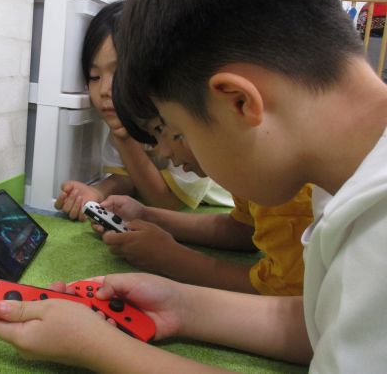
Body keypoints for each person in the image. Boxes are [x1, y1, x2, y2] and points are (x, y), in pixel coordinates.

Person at [0, 0, 387, 372]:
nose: (175, 152)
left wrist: (101, 348)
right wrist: (182, 305)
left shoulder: (377, 226)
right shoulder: (345, 178)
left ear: (238, 102)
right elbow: (322, 322)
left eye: (179, 131)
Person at [92, 94, 312, 295]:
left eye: (163, 128)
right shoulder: (242, 169)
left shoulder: (273, 175)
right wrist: (146, 215)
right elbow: (245, 229)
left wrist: (172, 259)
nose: (164, 151)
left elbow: (284, 292)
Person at [54, 1, 232, 221]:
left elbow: (168, 202)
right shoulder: (124, 122)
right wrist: (97, 191)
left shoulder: (180, 121)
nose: (105, 90)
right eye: (94, 77)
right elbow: (129, 177)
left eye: (118, 74)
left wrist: (124, 138)